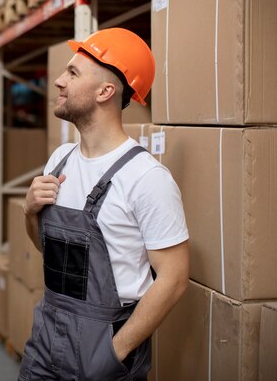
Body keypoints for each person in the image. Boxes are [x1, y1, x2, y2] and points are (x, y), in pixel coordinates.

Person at [18, 28, 190, 381]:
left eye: (73, 73)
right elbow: (48, 250)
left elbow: (173, 279)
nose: (58, 81)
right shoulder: (60, 161)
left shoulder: (146, 178)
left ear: (105, 91)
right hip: (46, 338)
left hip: (104, 346)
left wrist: (115, 351)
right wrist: (29, 211)